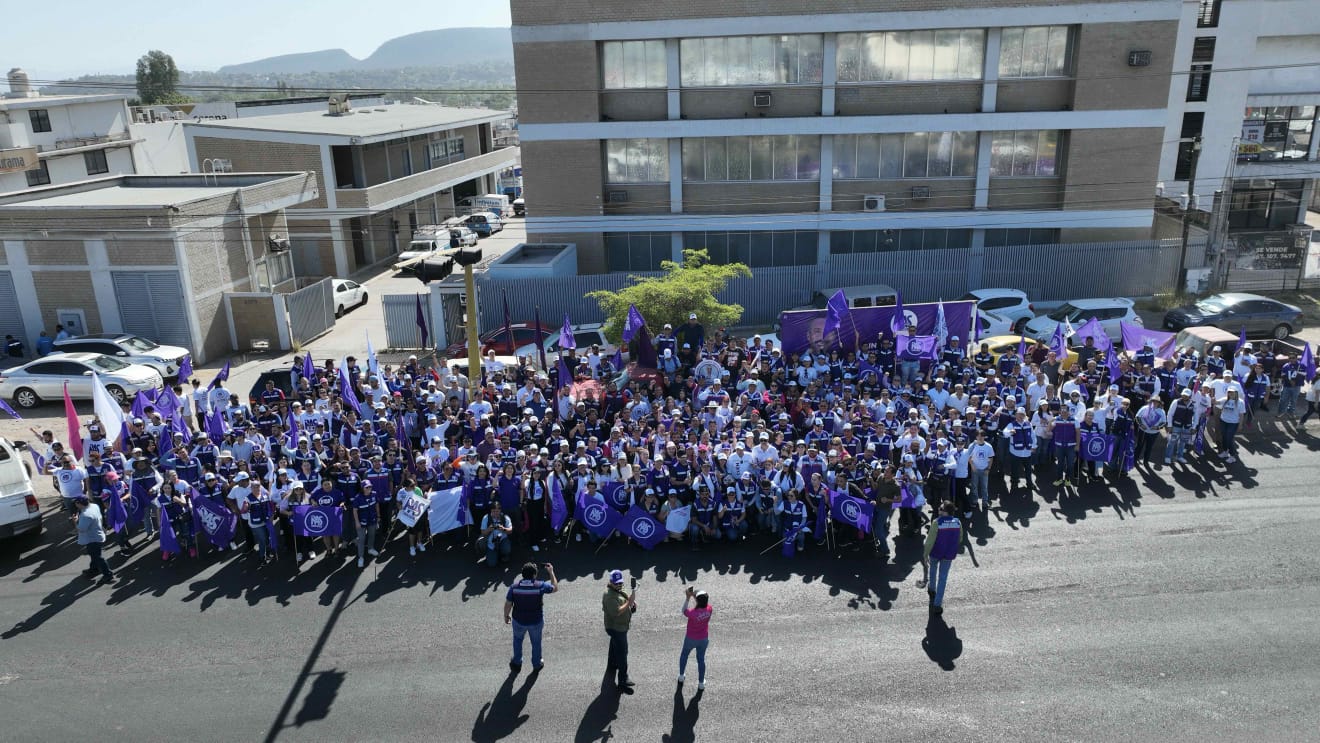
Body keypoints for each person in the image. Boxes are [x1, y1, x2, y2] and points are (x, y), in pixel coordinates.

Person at [504, 561, 558, 672]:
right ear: (534, 574)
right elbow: (555, 588)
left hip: (518, 621)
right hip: (536, 621)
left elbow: (508, 603)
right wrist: (551, 572)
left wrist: (506, 615)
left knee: (517, 640)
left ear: (522, 574)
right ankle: (537, 664)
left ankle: (517, 662)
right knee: (536, 642)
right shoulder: (540, 586)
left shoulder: (514, 587)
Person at [923, 501, 962, 615]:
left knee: (933, 569)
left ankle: (932, 589)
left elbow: (930, 541)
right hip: (949, 554)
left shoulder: (936, 522)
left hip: (936, 552)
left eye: (940, 508)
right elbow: (960, 538)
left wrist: (925, 554)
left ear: (945, 512)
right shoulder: (957, 522)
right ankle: (937, 604)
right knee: (943, 578)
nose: (938, 510)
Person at [602, 569, 637, 693]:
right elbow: (616, 612)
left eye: (620, 582)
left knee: (614, 644)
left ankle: (612, 664)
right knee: (622, 653)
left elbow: (625, 598)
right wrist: (629, 603)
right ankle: (623, 680)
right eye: (616, 583)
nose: (619, 585)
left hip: (619, 627)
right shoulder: (609, 596)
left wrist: (632, 603)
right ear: (611, 582)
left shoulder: (619, 589)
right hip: (616, 628)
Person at [74, 496, 114, 583]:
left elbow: (81, 529)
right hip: (98, 534)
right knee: (93, 554)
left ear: (80, 504)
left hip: (92, 539)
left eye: (76, 503)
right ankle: (94, 569)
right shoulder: (94, 506)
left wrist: (75, 521)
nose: (75, 504)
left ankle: (108, 574)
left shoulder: (85, 515)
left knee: (97, 557)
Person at [481, 502, 513, 567]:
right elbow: (483, 532)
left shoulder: (505, 517)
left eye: (497, 511)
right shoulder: (486, 517)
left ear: (500, 510)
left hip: (502, 540)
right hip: (491, 543)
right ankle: (492, 554)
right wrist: (488, 529)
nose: (495, 513)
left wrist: (503, 529)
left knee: (506, 548)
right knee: (491, 564)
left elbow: (510, 531)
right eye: (493, 511)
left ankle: (504, 554)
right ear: (491, 511)